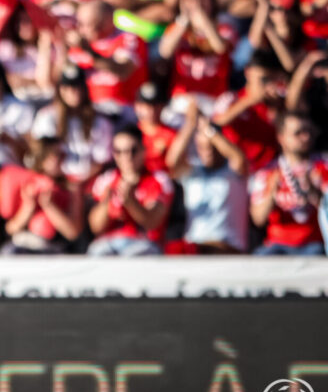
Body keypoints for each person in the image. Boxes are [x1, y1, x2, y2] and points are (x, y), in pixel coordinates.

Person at [166, 97, 249, 254]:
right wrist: (190, 124)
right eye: (202, 147)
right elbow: (172, 162)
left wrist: (209, 130)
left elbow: (238, 158)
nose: (208, 151)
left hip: (227, 248)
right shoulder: (193, 172)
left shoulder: (234, 173)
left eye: (212, 146)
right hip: (195, 248)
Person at [88, 124, 174, 256]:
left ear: (143, 150)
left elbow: (152, 222)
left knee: (133, 256)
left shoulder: (159, 180)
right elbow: (96, 227)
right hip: (109, 242)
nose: (126, 157)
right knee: (97, 253)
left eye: (133, 150)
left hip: (145, 242)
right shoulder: (106, 180)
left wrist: (130, 200)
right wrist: (107, 201)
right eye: (119, 151)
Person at [250, 111, 328, 255]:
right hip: (276, 246)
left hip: (314, 245)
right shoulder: (268, 171)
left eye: (308, 131)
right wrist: (272, 192)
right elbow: (258, 219)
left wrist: (315, 193)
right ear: (281, 137)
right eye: (298, 133)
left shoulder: (323, 166)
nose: (306, 137)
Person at [64, 0, 149, 121]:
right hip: (88, 111)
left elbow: (122, 70)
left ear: (106, 22)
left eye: (86, 24)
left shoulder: (128, 39)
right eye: (79, 24)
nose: (80, 30)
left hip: (122, 109)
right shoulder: (79, 45)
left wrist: (89, 51)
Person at [31, 64, 113, 184]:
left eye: (77, 86)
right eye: (67, 87)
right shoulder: (47, 117)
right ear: (60, 90)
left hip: (89, 181)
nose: (73, 91)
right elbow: (44, 158)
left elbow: (100, 162)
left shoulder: (100, 122)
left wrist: (77, 184)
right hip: (56, 181)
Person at [0, 136, 83, 254]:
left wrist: (49, 206)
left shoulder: (72, 186)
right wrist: (29, 207)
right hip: (25, 242)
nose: (63, 158)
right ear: (42, 158)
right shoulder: (29, 183)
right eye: (57, 155)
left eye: (64, 154)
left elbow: (72, 233)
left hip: (55, 246)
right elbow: (11, 229)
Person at [212, 50, 286, 172]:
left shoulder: (276, 102)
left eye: (270, 79)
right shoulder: (231, 99)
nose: (266, 83)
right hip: (238, 169)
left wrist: (276, 104)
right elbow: (217, 122)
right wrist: (250, 100)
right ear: (247, 72)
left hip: (273, 166)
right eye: (263, 78)